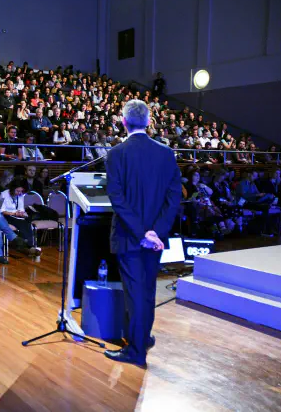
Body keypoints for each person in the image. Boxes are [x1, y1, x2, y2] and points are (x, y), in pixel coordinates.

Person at [104, 99, 181, 366]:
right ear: (149, 122)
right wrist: (156, 232)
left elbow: (117, 199)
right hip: (155, 240)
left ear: (123, 122)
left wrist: (141, 233)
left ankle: (136, 351)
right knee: (147, 290)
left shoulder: (115, 154)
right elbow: (173, 199)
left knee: (136, 293)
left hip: (130, 237)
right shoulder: (166, 153)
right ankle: (143, 337)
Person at [0, 177, 41, 253]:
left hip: (17, 215)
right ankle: (29, 246)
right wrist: (14, 213)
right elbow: (2, 211)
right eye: (17, 191)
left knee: (27, 221)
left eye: (21, 191)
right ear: (12, 189)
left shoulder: (20, 195)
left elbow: (21, 208)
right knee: (22, 223)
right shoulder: (4, 194)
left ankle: (28, 245)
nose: (19, 193)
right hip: (7, 215)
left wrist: (21, 213)